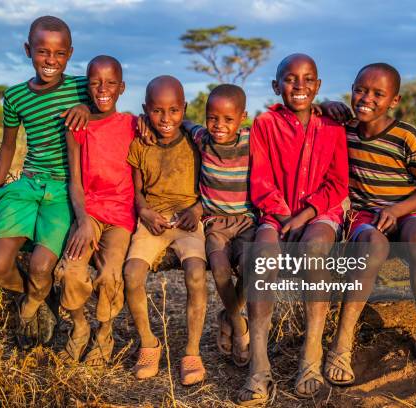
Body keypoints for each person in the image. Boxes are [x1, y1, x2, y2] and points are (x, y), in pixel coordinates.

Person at [321, 63, 416, 387]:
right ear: (351, 88)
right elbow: (310, 124)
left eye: (377, 94)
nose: (366, 98)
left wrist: (398, 210)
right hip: (364, 216)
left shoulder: (408, 136)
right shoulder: (342, 132)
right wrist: (323, 107)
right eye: (360, 89)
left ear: (394, 101)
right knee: (374, 246)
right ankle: (341, 345)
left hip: (406, 211)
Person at [237, 54, 349, 405]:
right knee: (261, 259)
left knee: (315, 251)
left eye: (307, 79)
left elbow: (338, 182)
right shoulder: (265, 123)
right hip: (275, 211)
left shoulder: (333, 126)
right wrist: (283, 214)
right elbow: (260, 179)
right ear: (276, 85)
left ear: (317, 85)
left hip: (320, 212)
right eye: (290, 78)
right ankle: (258, 365)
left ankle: (311, 356)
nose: (299, 85)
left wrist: (303, 216)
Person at [0, 16, 91, 349]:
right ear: (28, 50)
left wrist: (88, 110)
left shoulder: (83, 88)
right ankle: (39, 298)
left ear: (70, 54)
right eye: (43, 52)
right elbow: (8, 146)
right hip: (28, 185)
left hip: (64, 189)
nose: (51, 60)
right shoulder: (16, 96)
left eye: (59, 54)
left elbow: (109, 107)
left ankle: (36, 299)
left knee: (41, 265)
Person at [138, 84, 255, 367]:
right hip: (214, 221)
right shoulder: (202, 138)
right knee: (219, 269)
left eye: (228, 119)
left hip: (248, 221)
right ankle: (239, 325)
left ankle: (229, 315)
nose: (219, 126)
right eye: (213, 118)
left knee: (253, 266)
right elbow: (184, 122)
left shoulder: (252, 141)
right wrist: (140, 120)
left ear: (243, 117)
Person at [124, 75, 208, 386]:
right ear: (146, 109)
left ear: (184, 109)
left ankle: (191, 351)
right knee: (132, 274)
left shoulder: (195, 143)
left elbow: (208, 187)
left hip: (188, 221)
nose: (166, 118)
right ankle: (149, 344)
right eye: (157, 111)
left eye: (174, 111)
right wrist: (145, 212)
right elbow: (137, 192)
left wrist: (197, 210)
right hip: (152, 221)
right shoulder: (140, 144)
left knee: (196, 274)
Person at [57, 55, 136, 365]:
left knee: (111, 273)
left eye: (111, 83)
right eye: (95, 83)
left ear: (122, 87)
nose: (103, 89)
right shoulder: (78, 125)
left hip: (120, 218)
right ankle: (79, 327)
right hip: (87, 212)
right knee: (71, 270)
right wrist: (82, 222)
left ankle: (104, 332)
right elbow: (74, 182)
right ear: (87, 87)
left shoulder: (131, 124)